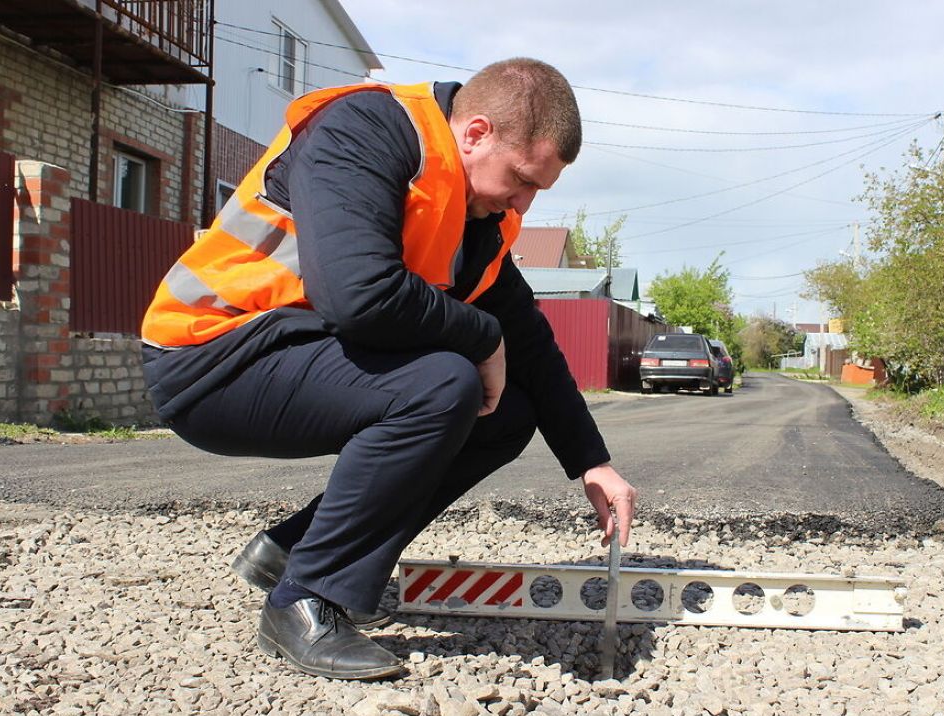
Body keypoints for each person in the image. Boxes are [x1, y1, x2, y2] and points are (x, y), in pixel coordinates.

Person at [140, 58, 637, 681]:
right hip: (211, 357)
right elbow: (358, 295)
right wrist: (480, 335)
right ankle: (302, 602)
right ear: (476, 133)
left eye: (537, 190)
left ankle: (291, 552)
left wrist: (592, 462)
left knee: (506, 413)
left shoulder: (475, 212)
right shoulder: (364, 131)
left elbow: (528, 339)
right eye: (519, 180)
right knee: (445, 383)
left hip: (293, 353)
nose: (524, 202)